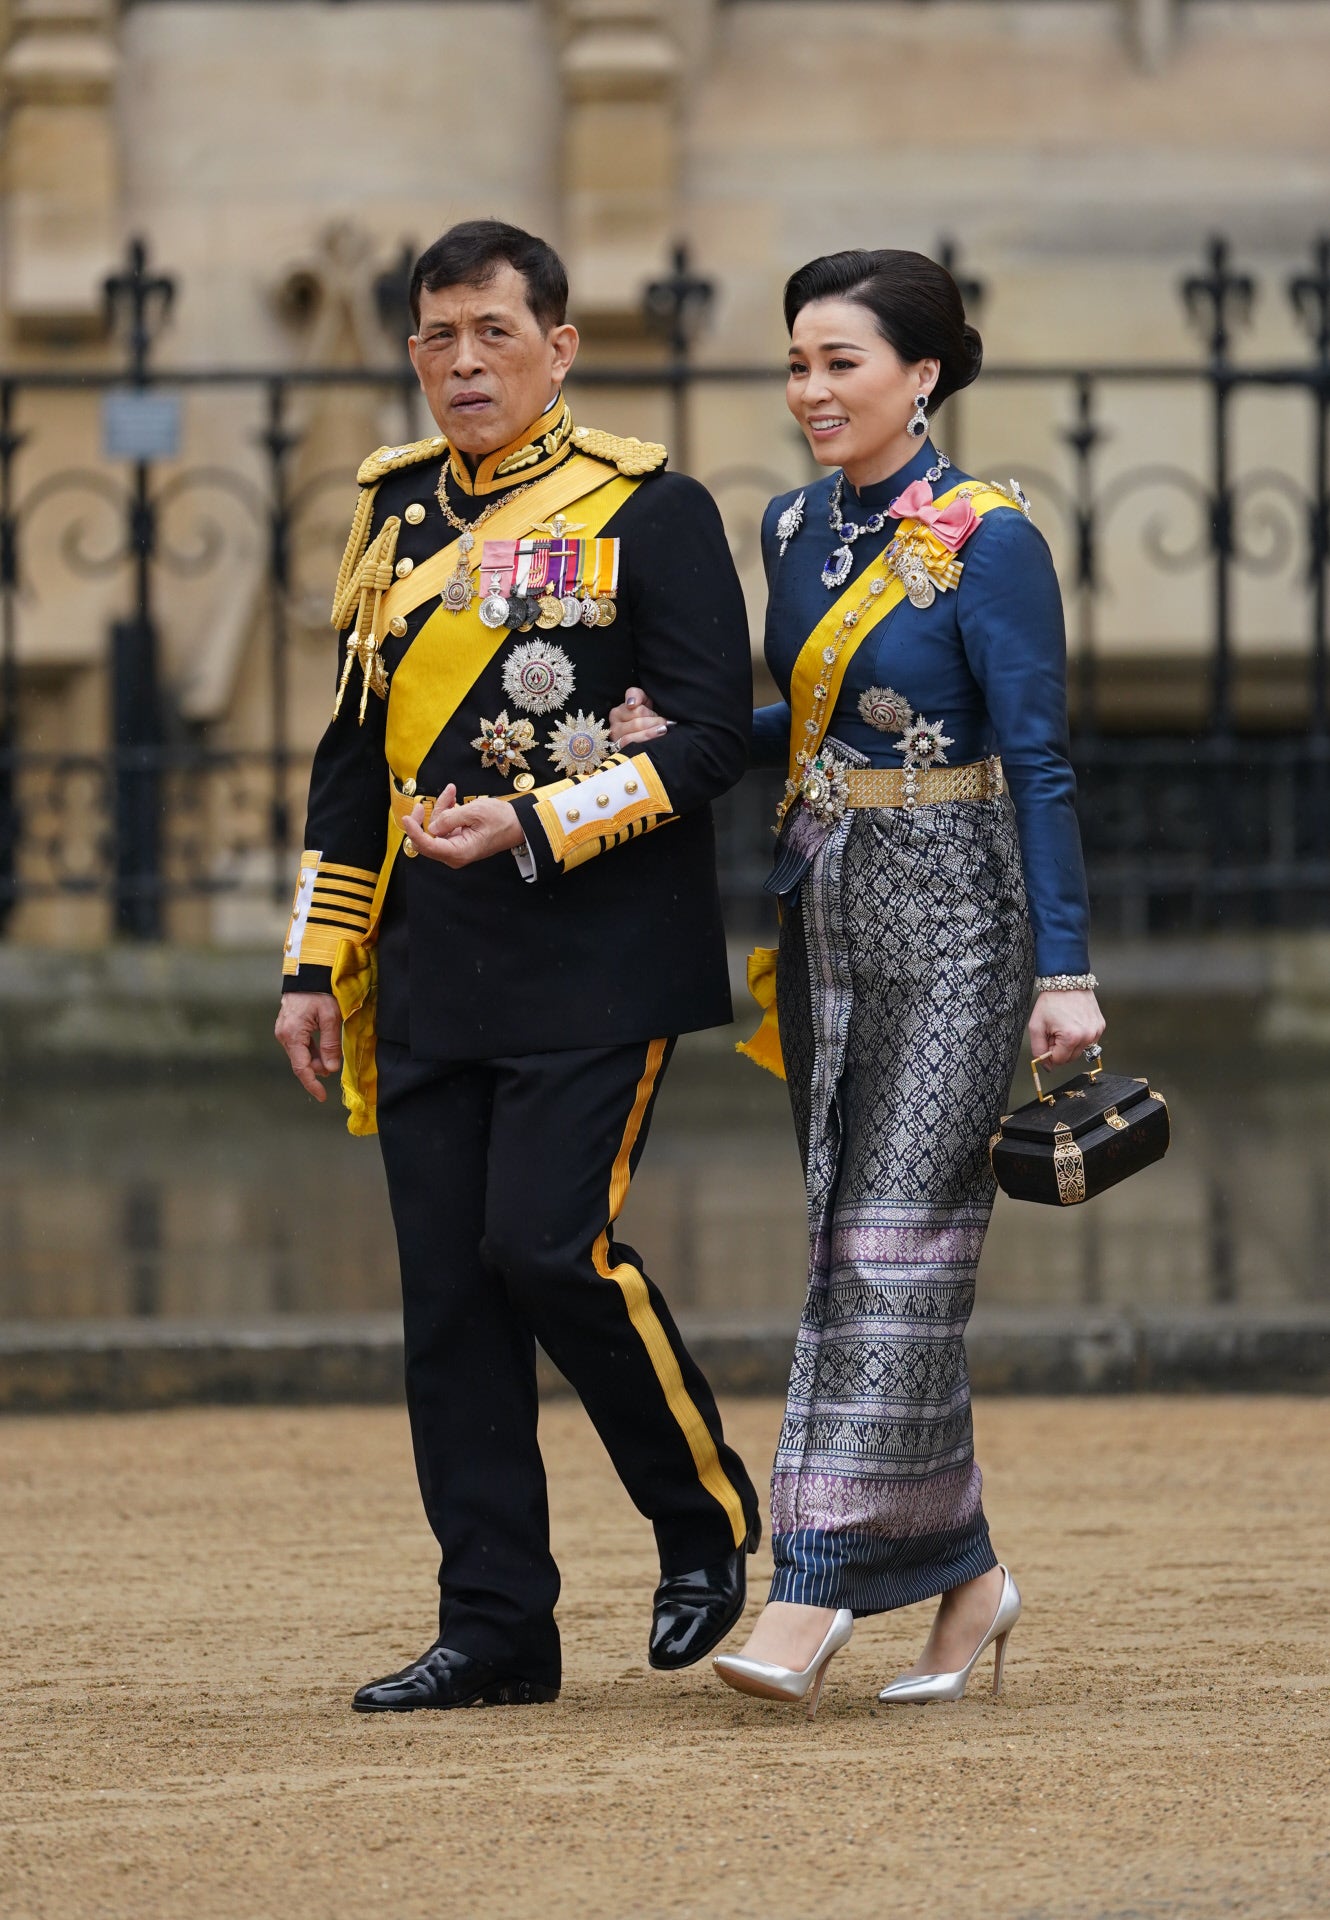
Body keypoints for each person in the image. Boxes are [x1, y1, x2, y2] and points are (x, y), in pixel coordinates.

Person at [274, 219, 760, 1713]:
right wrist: (315, 959)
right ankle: (494, 1624)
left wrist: (543, 818)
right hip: (429, 967)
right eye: (438, 335)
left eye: (494, 332)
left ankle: (705, 1525)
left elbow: (711, 734)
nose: (464, 363)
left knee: (548, 1248)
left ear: (560, 345)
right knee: (450, 1305)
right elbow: (355, 755)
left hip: (593, 953)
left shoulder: (649, 507)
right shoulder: (394, 512)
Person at [611, 248, 1103, 1716]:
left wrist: (1064, 972)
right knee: (856, 1238)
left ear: (922, 375)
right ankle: (967, 1582)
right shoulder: (789, 524)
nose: (811, 390)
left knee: (892, 1245)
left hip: (958, 913)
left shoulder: (992, 536)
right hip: (819, 911)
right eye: (797, 363)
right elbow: (811, 717)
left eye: (841, 362)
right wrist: (687, 726)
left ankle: (810, 1585)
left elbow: (1039, 760)